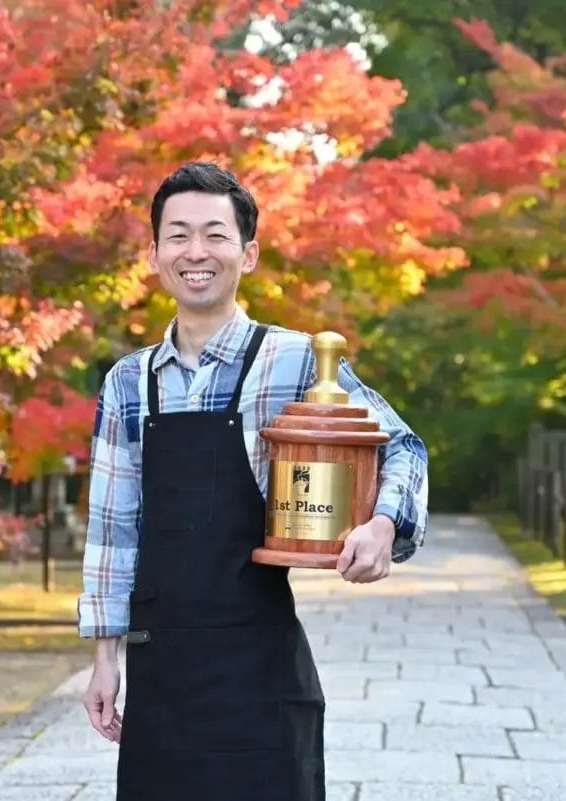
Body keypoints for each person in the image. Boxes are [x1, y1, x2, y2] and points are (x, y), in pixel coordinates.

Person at [76, 161, 429, 801]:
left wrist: (383, 525)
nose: (196, 252)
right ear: (154, 254)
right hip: (161, 670)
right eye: (177, 235)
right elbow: (113, 527)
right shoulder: (129, 382)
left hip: (261, 670)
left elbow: (402, 445)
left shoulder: (296, 359)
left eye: (216, 234)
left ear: (249, 252)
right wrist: (104, 658)